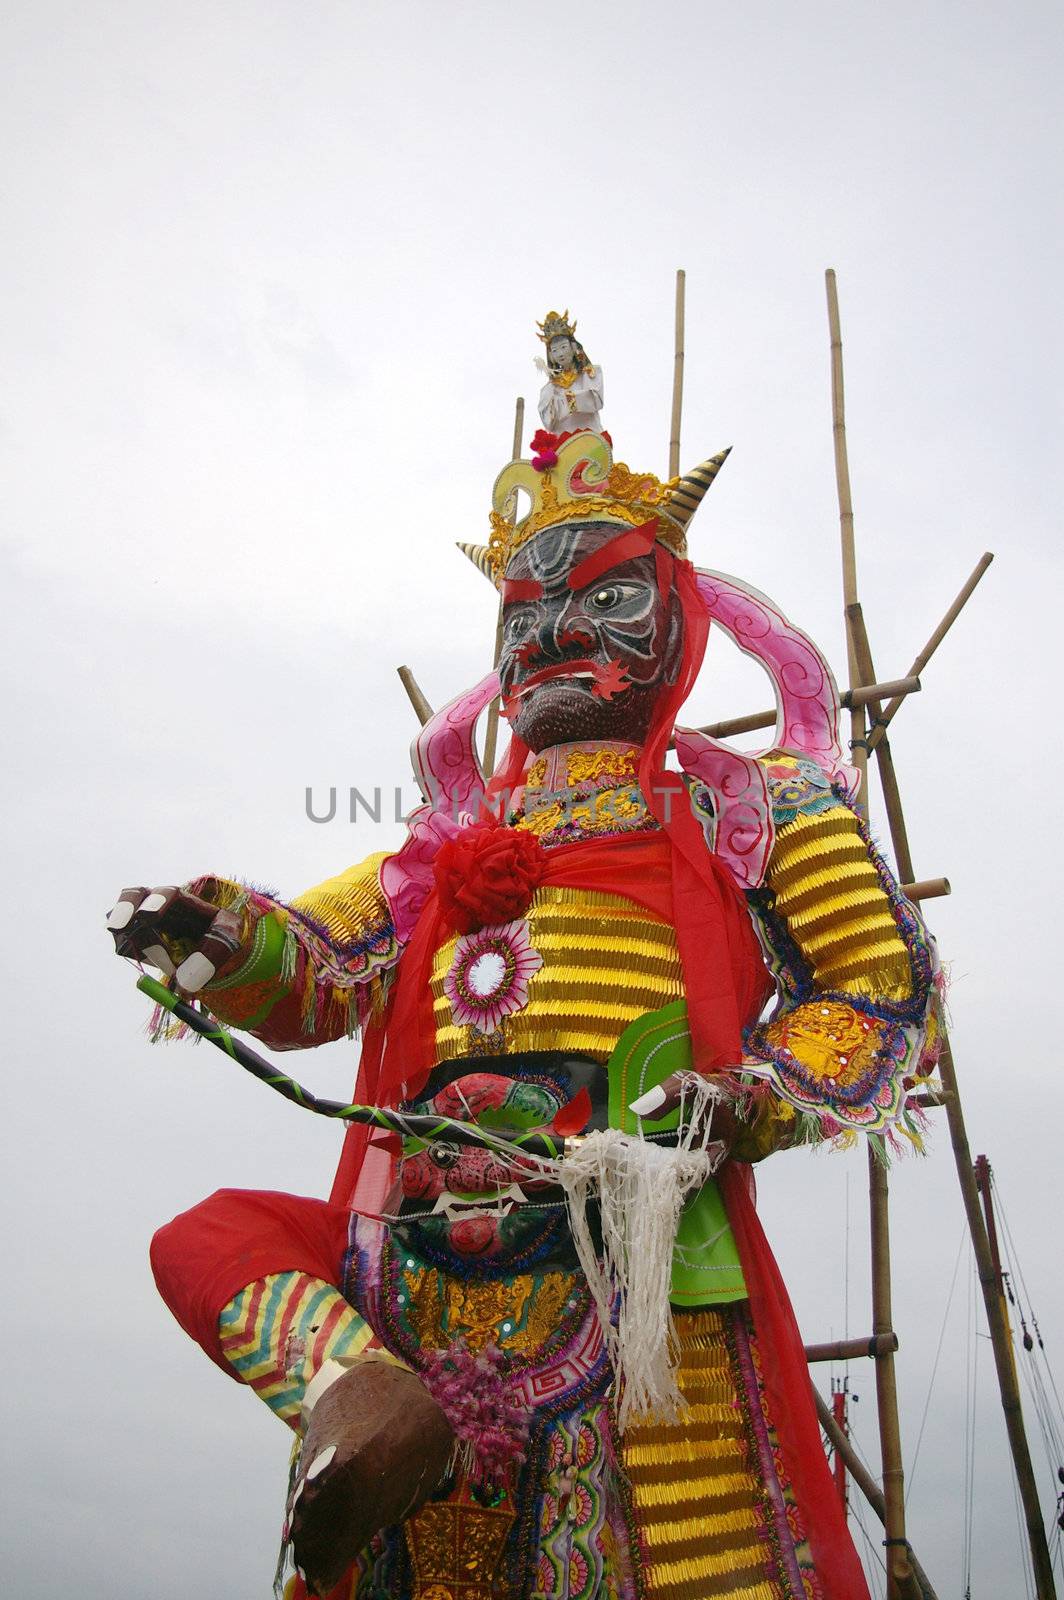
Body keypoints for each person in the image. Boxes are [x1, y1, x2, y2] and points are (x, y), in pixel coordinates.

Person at [109, 424, 938, 1600]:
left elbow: (881, 992)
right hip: (425, 1271)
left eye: (601, 602)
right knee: (202, 1237)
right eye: (523, 616)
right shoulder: (446, 846)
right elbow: (313, 969)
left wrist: (749, 1096)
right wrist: (214, 931)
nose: (550, 635)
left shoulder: (762, 809)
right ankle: (358, 1394)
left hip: (630, 1252)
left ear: (678, 618)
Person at [536, 310, 604, 434]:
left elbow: (595, 401)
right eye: (555, 350)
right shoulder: (549, 388)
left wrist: (567, 402)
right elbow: (548, 421)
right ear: (551, 355)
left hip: (590, 439)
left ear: (573, 347)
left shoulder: (590, 374)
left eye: (563, 347)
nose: (560, 354)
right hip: (563, 446)